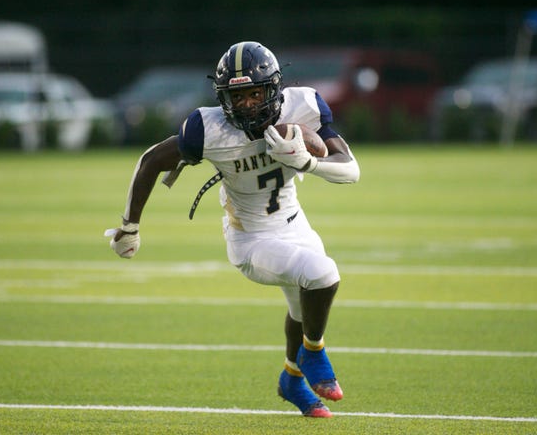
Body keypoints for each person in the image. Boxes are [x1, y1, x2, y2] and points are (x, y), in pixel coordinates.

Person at [106, 41, 360, 418]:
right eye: (237, 96)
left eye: (255, 93)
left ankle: (291, 379)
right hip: (251, 239)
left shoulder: (303, 106)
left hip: (295, 223)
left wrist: (308, 163)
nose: (247, 105)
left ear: (274, 89)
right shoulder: (208, 129)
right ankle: (314, 352)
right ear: (223, 97)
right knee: (323, 274)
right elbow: (150, 161)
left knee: (302, 306)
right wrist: (129, 227)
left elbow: (350, 169)